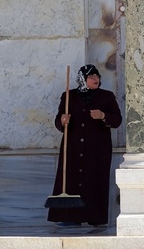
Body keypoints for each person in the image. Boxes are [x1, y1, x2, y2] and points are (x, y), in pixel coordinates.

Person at [47, 64, 122, 227]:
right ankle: (70, 217)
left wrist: (103, 115)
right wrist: (62, 120)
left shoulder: (106, 97)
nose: (96, 79)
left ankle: (95, 218)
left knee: (94, 181)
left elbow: (117, 120)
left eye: (97, 76)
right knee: (71, 181)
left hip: (97, 150)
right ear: (83, 79)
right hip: (73, 148)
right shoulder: (69, 96)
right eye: (91, 77)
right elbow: (58, 121)